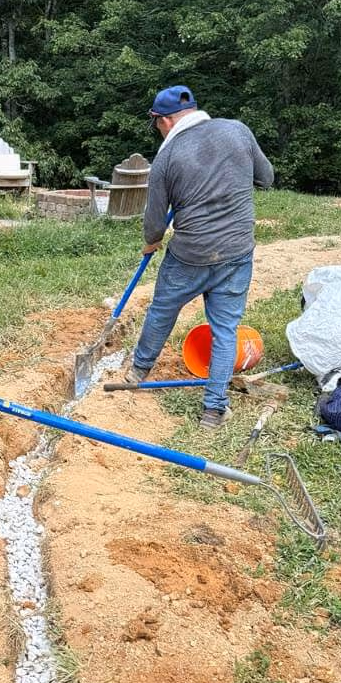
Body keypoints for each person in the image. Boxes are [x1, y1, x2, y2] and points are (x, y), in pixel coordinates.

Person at [125, 84, 274, 428]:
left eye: (156, 124)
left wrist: (152, 241)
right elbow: (266, 178)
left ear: (163, 120)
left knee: (162, 309)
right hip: (237, 250)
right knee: (225, 330)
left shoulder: (166, 156)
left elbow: (154, 218)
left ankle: (137, 372)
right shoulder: (238, 131)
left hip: (190, 254)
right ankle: (213, 410)